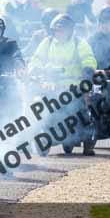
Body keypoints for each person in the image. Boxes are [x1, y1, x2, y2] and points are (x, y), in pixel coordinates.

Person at [29, 14, 98, 155]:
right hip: (51, 86)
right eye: (56, 30)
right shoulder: (47, 43)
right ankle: (44, 132)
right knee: (41, 108)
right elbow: (36, 59)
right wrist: (33, 68)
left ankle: (87, 139)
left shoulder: (79, 43)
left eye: (61, 30)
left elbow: (88, 58)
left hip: (74, 87)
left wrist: (88, 70)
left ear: (70, 30)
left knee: (84, 112)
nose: (58, 33)